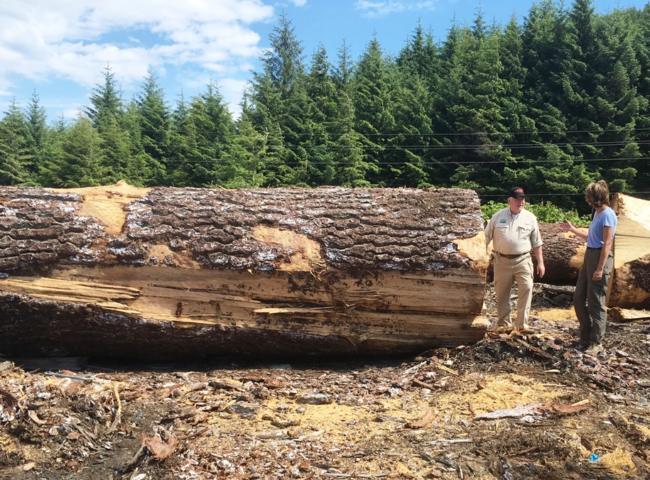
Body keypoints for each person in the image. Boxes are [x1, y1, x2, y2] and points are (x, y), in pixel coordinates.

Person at [561, 180, 617, 353]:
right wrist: (572, 229)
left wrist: (600, 268)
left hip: (601, 256)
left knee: (596, 301)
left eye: (589, 196)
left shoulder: (608, 214)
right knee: (578, 298)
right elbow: (590, 238)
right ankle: (584, 336)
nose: (587, 198)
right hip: (590, 254)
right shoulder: (597, 213)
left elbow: (607, 243)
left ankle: (596, 342)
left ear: (597, 197)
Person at [485, 187, 545, 333]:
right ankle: (504, 324)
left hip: (523, 259)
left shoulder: (530, 218)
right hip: (501, 260)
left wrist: (541, 263)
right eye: (517, 199)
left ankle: (521, 325)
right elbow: (486, 238)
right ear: (509, 200)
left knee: (527, 288)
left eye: (523, 199)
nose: (521, 202)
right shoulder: (497, 217)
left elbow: (537, 242)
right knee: (501, 294)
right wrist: (482, 258)